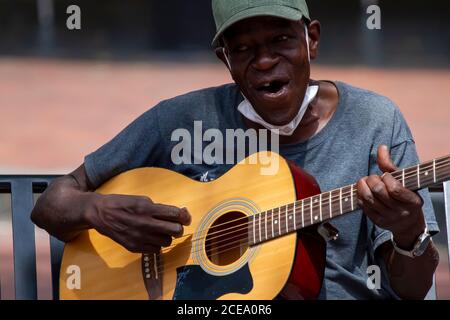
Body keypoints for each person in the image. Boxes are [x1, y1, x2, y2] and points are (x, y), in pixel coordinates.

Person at [31, 0, 439, 299]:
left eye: (281, 40)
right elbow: (51, 204)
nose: (264, 61)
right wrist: (99, 211)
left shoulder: (374, 122)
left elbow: (414, 288)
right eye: (243, 49)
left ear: (311, 40)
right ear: (224, 59)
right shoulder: (181, 120)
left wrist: (408, 232)